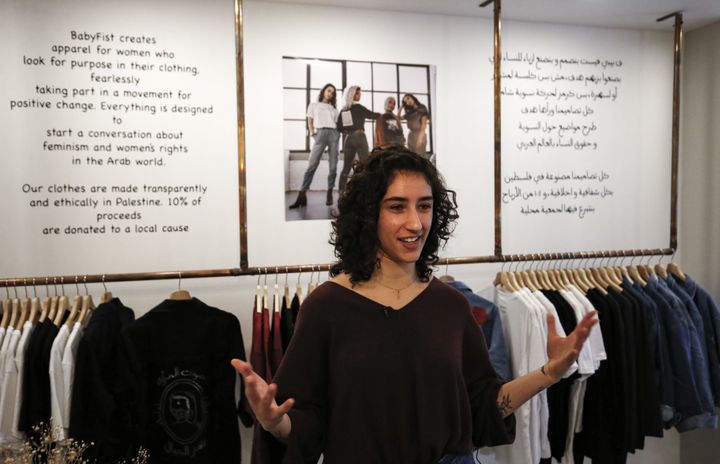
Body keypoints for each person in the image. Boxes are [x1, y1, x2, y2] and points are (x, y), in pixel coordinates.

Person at [232, 146, 597, 463]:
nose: (415, 222)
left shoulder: (451, 306)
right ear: (367, 215)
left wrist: (549, 373)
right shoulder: (326, 307)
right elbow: (305, 424)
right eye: (396, 206)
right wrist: (273, 421)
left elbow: (483, 406)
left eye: (424, 206)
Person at [289, 83, 340, 209]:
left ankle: (329, 192)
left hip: (333, 134)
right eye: (329, 91)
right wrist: (312, 133)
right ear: (323, 91)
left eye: (333, 92)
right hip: (320, 133)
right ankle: (302, 195)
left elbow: (338, 124)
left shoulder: (334, 109)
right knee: (312, 165)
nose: (330, 94)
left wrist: (337, 135)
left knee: (333, 166)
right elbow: (310, 121)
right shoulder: (313, 105)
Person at [335, 85, 380, 193]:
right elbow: (373, 115)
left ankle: (341, 191)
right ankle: (367, 192)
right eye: (357, 93)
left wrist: (348, 130)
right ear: (352, 95)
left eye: (359, 93)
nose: (359, 95)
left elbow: (339, 128)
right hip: (359, 136)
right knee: (366, 165)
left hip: (348, 138)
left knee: (346, 167)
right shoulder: (359, 108)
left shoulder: (344, 110)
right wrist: (382, 115)